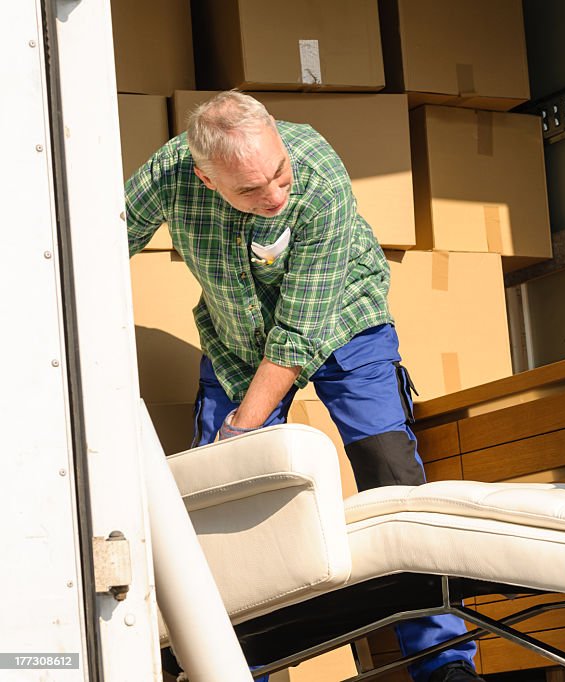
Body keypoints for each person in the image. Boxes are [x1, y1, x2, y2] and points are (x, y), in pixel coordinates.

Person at [125, 90, 482, 682]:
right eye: (250, 190)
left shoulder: (316, 171)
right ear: (205, 178)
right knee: (222, 501)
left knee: (390, 474)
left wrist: (242, 427)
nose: (274, 197)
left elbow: (299, 332)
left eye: (278, 176)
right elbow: (91, 245)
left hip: (344, 320)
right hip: (236, 340)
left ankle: (445, 665)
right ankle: (235, 666)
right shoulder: (168, 173)